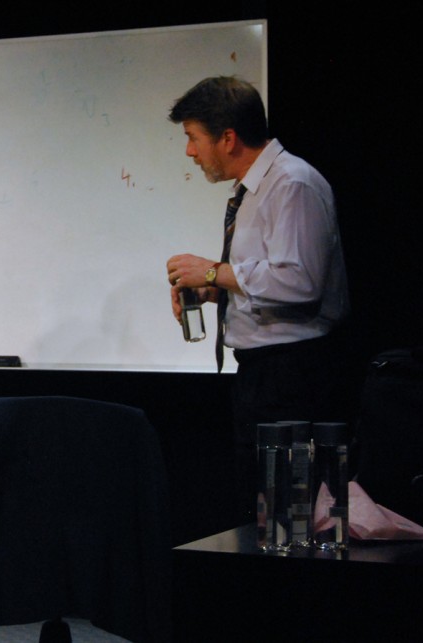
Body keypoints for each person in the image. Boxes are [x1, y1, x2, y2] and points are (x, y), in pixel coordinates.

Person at [164, 76, 351, 524]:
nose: (189, 151)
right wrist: (211, 290)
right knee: (262, 510)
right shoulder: (253, 189)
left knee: (290, 517)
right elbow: (266, 279)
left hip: (294, 376)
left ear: (228, 138)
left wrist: (214, 271)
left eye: (193, 137)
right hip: (263, 377)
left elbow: (300, 280)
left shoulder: (292, 183)